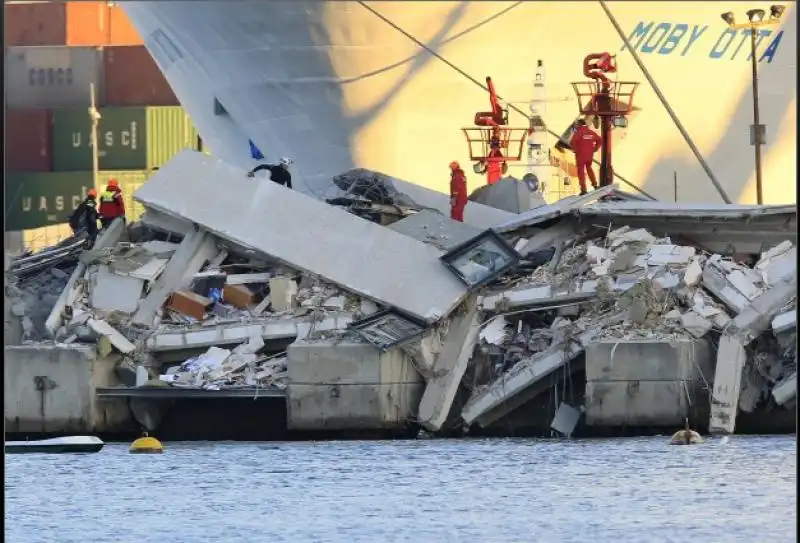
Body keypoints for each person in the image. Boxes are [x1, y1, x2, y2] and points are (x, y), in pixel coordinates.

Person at [569, 119, 602, 195]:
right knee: (589, 169)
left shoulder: (579, 132)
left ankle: (584, 189)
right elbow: (600, 140)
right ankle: (595, 185)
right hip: (589, 155)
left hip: (580, 155)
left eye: (576, 125)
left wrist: (575, 149)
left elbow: (572, 141)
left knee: (581, 172)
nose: (575, 126)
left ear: (580, 125)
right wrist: (595, 149)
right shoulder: (590, 132)